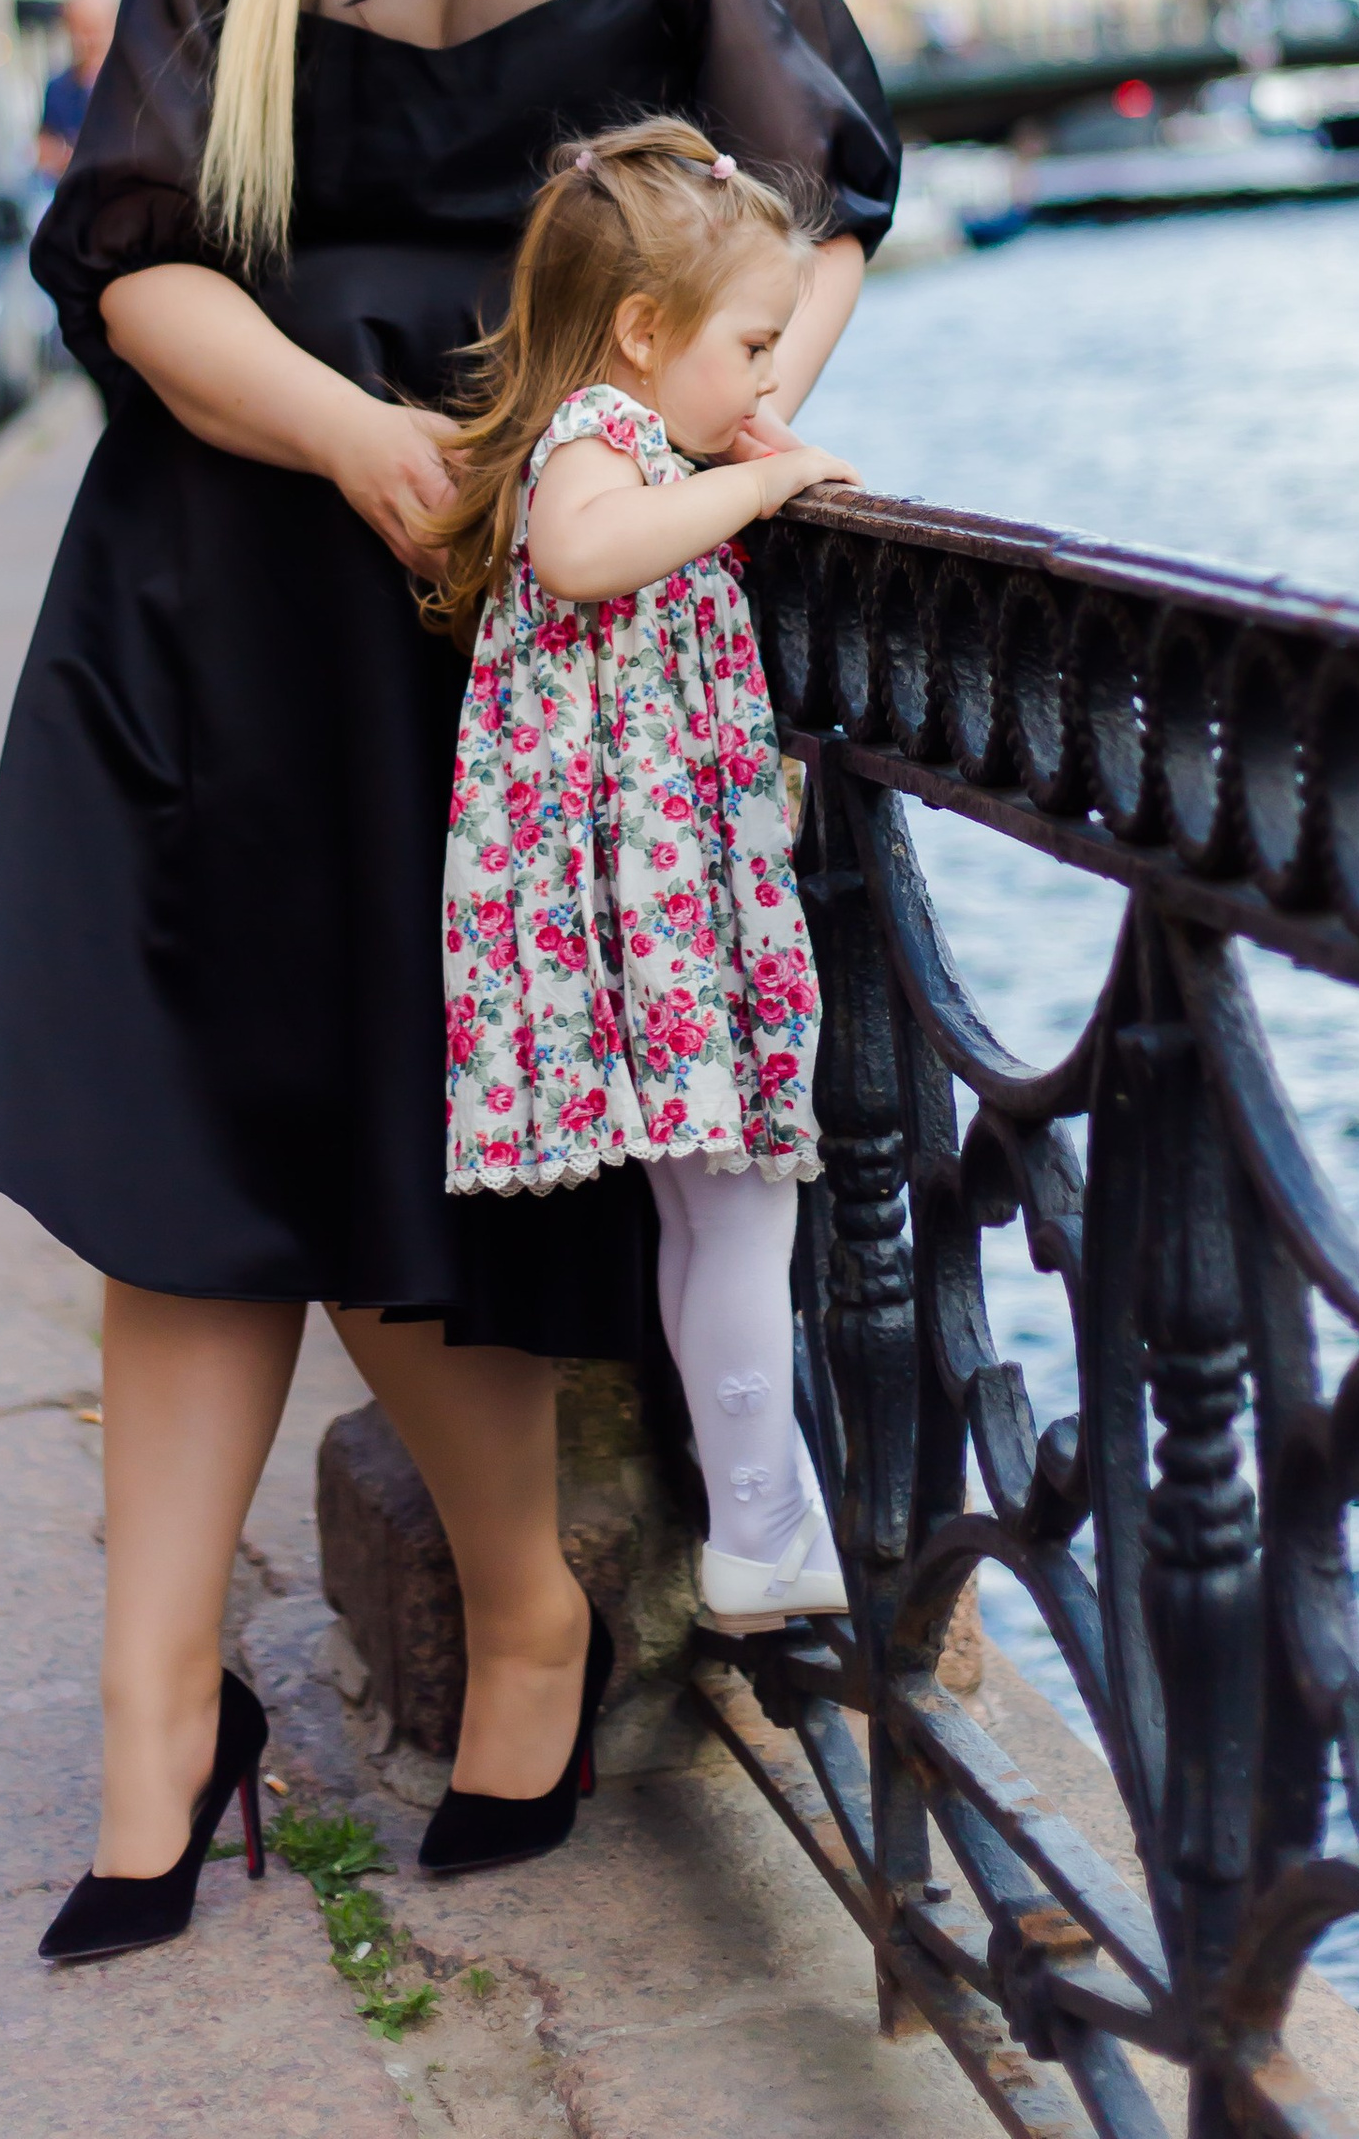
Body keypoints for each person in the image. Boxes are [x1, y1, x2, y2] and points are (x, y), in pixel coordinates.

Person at [0, 0, 898, 1965]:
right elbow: (126, 263)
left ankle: (530, 1612)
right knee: (177, 1138)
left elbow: (810, 212)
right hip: (222, 573)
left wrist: (695, 449)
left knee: (396, 1144)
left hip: (500, 633)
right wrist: (359, 439)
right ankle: (155, 1725)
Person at [423, 121, 860, 1845]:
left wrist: (739, 448)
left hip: (660, 888)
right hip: (656, 907)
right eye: (749, 343)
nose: (768, 372)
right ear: (638, 338)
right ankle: (763, 1526)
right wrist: (755, 484)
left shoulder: (614, 428)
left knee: (716, 1211)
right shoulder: (592, 448)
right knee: (740, 1199)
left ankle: (768, 1514)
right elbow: (584, 556)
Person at [34, 0, 115, 182]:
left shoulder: (130, 86)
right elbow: (43, 146)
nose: (86, 40)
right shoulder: (57, 88)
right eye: (78, 30)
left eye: (93, 30)